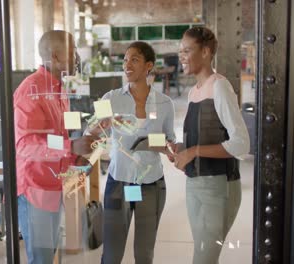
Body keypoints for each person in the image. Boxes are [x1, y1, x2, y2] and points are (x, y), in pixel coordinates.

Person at [13, 30, 96, 264]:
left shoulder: (60, 90)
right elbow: (26, 144)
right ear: (56, 57)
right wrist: (71, 146)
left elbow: (57, 137)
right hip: (35, 188)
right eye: (72, 52)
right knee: (40, 258)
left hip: (54, 184)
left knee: (49, 255)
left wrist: (77, 159)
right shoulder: (30, 91)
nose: (77, 57)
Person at [89, 41, 176, 264]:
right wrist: (102, 125)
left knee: (144, 255)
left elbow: (170, 142)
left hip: (151, 185)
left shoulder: (165, 103)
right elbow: (90, 132)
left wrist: (167, 147)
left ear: (149, 65)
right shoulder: (109, 97)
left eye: (134, 59)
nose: (127, 64)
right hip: (119, 183)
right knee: (111, 255)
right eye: (125, 60)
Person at [173, 26, 250, 264]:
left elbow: (241, 144)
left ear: (205, 52)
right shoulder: (193, 92)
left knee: (204, 258)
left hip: (218, 186)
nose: (181, 56)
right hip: (195, 184)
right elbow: (204, 136)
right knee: (204, 254)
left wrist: (194, 151)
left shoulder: (220, 86)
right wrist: (181, 149)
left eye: (187, 50)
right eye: (180, 51)